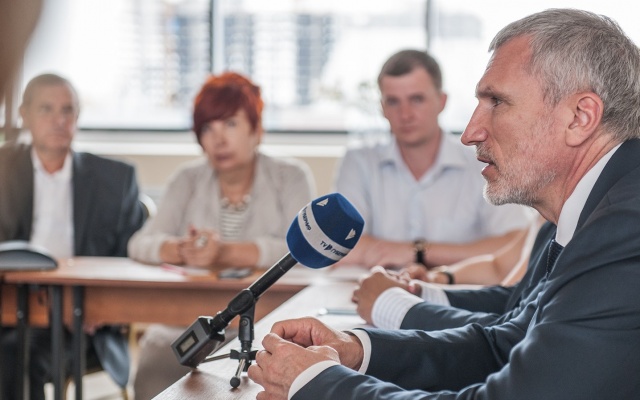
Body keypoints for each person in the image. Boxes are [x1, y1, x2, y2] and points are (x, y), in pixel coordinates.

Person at [248, 9, 640, 399]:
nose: (470, 133)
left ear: (580, 117)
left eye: (497, 102)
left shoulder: (624, 229)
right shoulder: (593, 212)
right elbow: (504, 345)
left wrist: (317, 384)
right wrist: (357, 350)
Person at [127, 71, 315, 399]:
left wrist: (226, 253)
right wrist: (179, 249)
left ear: (256, 130)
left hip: (270, 320)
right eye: (207, 128)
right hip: (190, 317)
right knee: (156, 356)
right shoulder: (186, 179)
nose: (218, 139)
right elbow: (139, 243)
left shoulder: (291, 177)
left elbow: (303, 249)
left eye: (230, 124)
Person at [0, 73, 146, 399]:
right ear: (24, 114)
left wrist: (98, 304)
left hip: (81, 315)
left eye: (67, 110)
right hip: (10, 306)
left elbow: (128, 256)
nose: (59, 120)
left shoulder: (115, 180)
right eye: (46, 109)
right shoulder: (3, 168)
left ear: (77, 117)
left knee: (17, 357)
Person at [334, 49, 532, 269]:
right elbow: (341, 247)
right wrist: (458, 253)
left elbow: (515, 245)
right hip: (377, 287)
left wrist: (418, 252)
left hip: (459, 288)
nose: (405, 114)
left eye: (417, 99)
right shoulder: (359, 162)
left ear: (442, 101)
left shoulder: (482, 162)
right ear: (382, 108)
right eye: (393, 102)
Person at [353, 215, 544, 329]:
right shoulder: (545, 218)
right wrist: (436, 280)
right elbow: (497, 267)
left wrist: (388, 305)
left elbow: (511, 323)